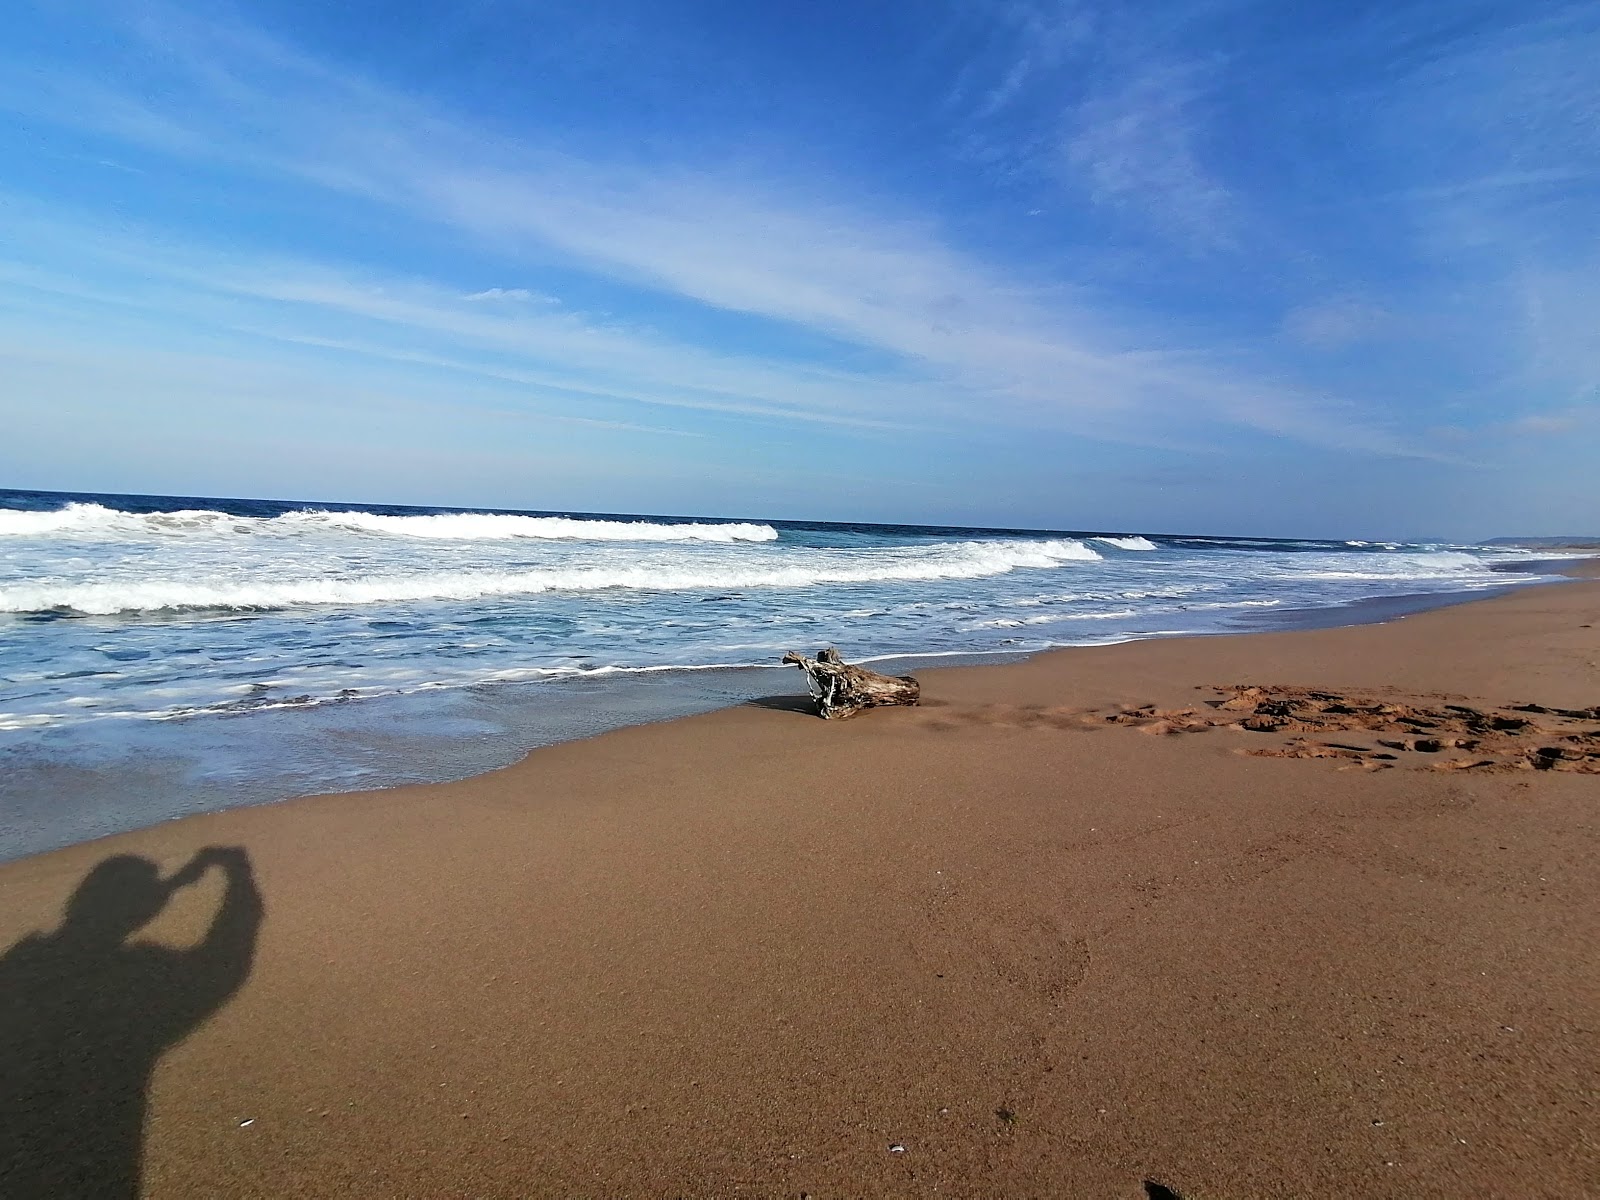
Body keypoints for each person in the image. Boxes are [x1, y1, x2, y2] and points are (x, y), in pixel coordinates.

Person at [0, 846, 263, 1198]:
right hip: (89, 1167)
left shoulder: (21, 966)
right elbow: (224, 962)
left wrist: (171, 885)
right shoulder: (131, 982)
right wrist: (238, 876)